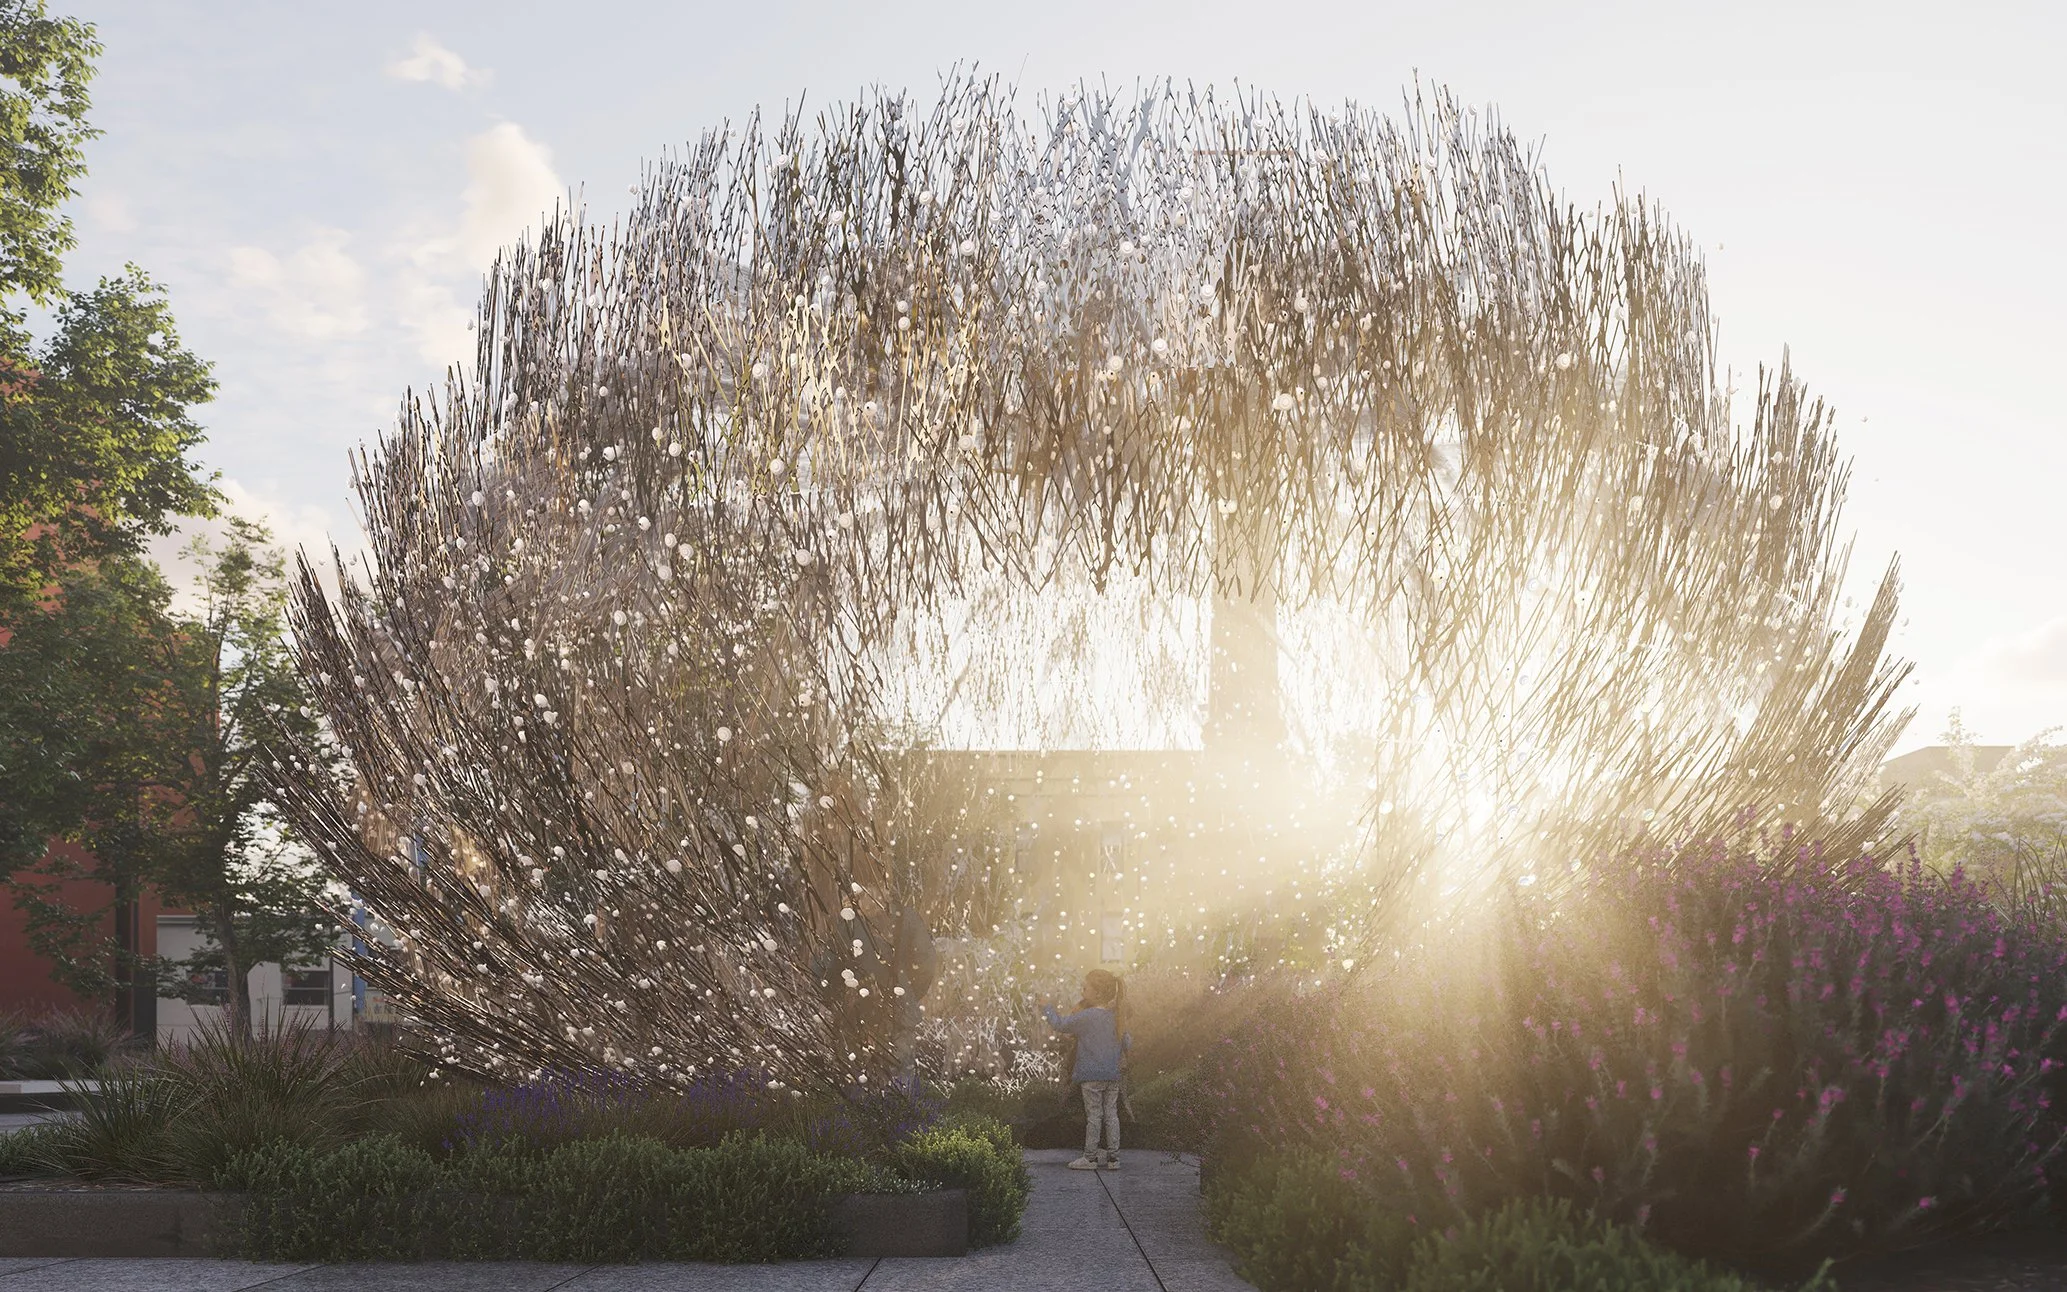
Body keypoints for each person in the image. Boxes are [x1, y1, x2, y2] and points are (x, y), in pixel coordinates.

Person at [1042, 968, 1132, 1170]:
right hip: (1113, 1075)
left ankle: (1090, 1157)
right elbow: (1128, 1042)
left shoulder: (1087, 1016)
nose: (1082, 991)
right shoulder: (1115, 1017)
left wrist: (1046, 1008)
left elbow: (1061, 1024)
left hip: (1091, 1076)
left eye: (1085, 988)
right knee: (1111, 1114)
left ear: (1097, 993)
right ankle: (1114, 1158)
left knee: (1094, 1116)